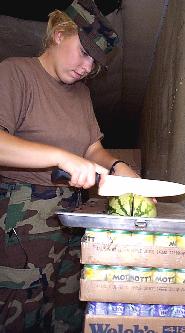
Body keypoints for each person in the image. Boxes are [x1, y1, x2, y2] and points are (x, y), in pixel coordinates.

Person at [0, 0, 139, 332]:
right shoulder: (15, 73)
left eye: (95, 61)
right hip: (24, 220)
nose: (87, 67)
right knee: (22, 313)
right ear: (60, 34)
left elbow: (92, 148)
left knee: (69, 311)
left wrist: (118, 165)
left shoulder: (81, 94)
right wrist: (60, 157)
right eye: (84, 51)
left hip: (73, 220)